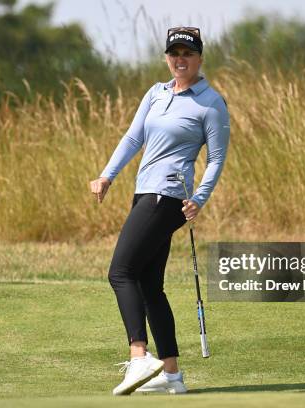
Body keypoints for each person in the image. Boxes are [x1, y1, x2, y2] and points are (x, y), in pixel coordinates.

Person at [89, 26, 230, 395]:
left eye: (187, 53)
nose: (179, 60)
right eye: (174, 53)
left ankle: (139, 357)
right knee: (151, 286)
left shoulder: (211, 103)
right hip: (144, 194)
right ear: (167, 57)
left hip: (168, 198)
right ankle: (171, 374)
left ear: (200, 58)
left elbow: (215, 159)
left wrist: (200, 198)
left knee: (120, 272)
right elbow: (133, 137)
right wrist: (107, 176)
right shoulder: (156, 93)